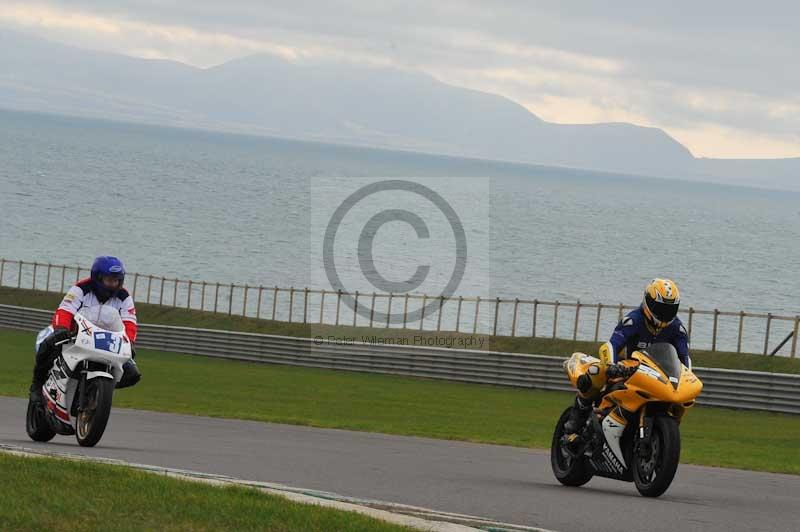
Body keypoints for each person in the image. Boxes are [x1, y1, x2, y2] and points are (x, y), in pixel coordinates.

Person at [563, 278, 690, 433]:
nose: (664, 314)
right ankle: (578, 413)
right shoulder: (634, 320)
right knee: (596, 371)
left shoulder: (677, 329)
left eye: (669, 309)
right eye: (660, 308)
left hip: (658, 376)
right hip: (629, 368)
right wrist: (611, 366)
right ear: (648, 302)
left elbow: (684, 359)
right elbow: (612, 345)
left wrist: (685, 380)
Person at [29, 256, 141, 404]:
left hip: (107, 343)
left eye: (117, 280)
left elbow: (130, 321)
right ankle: (36, 387)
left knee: (132, 374)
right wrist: (61, 328)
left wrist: (129, 342)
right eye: (109, 280)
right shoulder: (81, 289)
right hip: (75, 336)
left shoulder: (124, 297)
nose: (113, 284)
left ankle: (98, 391)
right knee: (46, 346)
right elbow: (65, 309)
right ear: (98, 278)